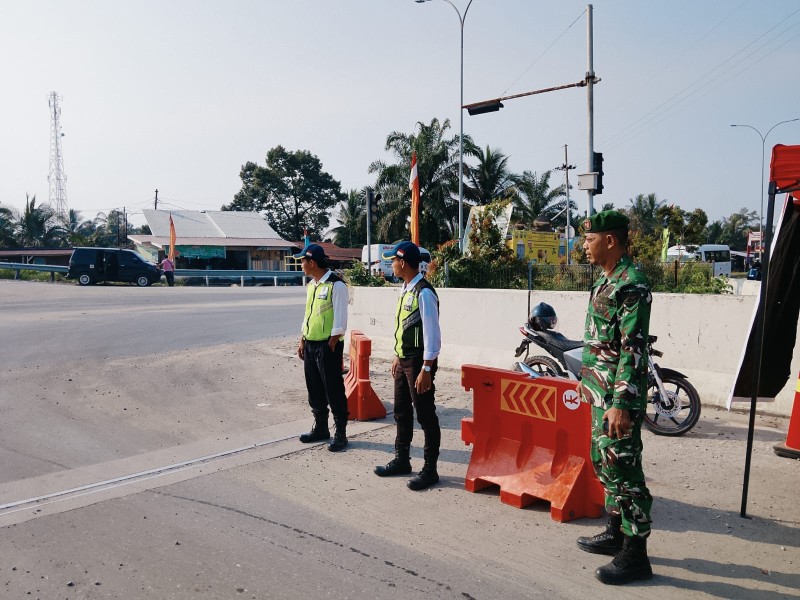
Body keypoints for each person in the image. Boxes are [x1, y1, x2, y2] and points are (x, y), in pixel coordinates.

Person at [576, 210, 654, 585]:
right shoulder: (606, 280)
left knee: (623, 468)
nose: (584, 245)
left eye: (589, 239)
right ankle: (615, 532)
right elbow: (600, 342)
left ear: (610, 240)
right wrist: (588, 381)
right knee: (603, 461)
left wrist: (621, 403)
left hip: (617, 399)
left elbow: (632, 349)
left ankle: (636, 554)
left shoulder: (631, 284)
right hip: (599, 393)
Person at [374, 241, 442, 491]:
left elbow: (432, 335)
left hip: (419, 362)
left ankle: (430, 470)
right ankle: (402, 460)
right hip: (403, 360)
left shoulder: (424, 293)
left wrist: (426, 369)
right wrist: (396, 355)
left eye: (393, 260)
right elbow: (405, 328)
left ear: (402, 263)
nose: (391, 264)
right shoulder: (405, 290)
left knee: (425, 415)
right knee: (401, 412)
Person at [295, 243, 350, 452]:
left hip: (328, 346)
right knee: (314, 388)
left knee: (333, 389)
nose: (301, 264)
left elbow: (341, 319)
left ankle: (340, 433)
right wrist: (303, 338)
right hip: (311, 343)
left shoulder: (336, 285)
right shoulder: (312, 285)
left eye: (303, 261)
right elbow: (308, 314)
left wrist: (332, 343)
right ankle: (321, 428)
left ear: (312, 262)